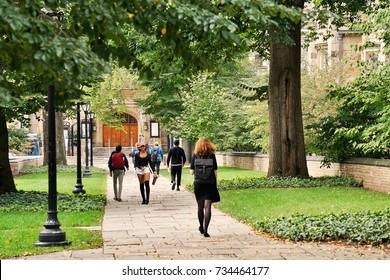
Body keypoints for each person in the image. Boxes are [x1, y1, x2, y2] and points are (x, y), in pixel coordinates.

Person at [190, 137, 220, 237]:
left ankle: (201, 227)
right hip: (210, 183)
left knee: (200, 206)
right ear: (209, 145)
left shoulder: (195, 155)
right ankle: (206, 229)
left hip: (199, 184)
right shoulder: (212, 156)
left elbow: (191, 172)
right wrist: (215, 182)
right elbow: (215, 171)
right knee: (208, 207)